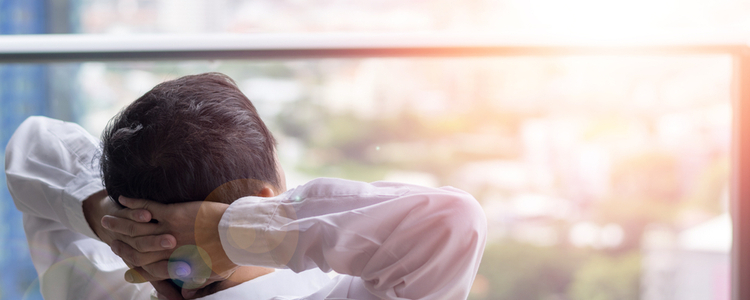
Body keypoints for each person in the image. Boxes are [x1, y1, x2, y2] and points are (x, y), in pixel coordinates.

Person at [6, 73, 487, 300]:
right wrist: (231, 232)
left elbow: (33, 144)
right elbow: (449, 222)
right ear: (262, 201)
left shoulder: (100, 284)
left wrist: (115, 226)